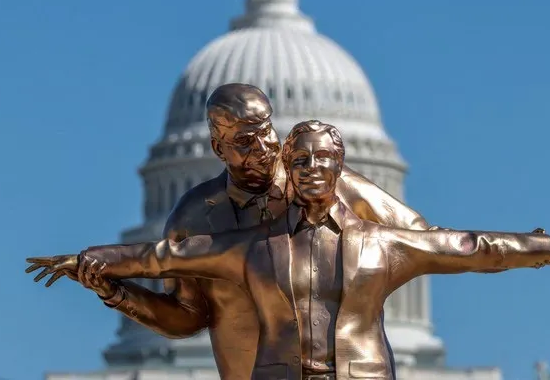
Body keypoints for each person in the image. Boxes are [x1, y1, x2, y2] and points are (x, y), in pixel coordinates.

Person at [28, 120, 550, 380]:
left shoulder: (382, 244)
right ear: (287, 166)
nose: (310, 169)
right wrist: (91, 262)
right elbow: (166, 256)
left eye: (322, 160)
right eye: (300, 160)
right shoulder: (253, 246)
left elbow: (472, 247)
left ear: (342, 169)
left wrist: (548, 246)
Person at [28, 84, 436, 380]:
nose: (263, 148)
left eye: (266, 131)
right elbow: (187, 318)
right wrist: (115, 292)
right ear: (217, 148)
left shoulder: (328, 185)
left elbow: (419, 238)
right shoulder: (194, 217)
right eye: (244, 140)